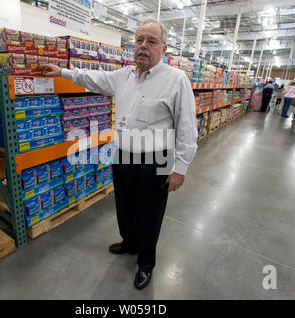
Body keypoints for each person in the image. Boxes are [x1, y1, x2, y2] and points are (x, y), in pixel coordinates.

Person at [44, 18, 197, 290]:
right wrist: (62, 72)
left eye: (151, 41)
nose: (143, 46)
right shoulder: (123, 75)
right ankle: (129, 242)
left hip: (155, 161)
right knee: (124, 207)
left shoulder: (176, 80)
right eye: (139, 40)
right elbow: (93, 78)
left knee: (149, 214)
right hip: (123, 155)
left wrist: (180, 168)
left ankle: (146, 263)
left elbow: (187, 127)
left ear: (163, 47)